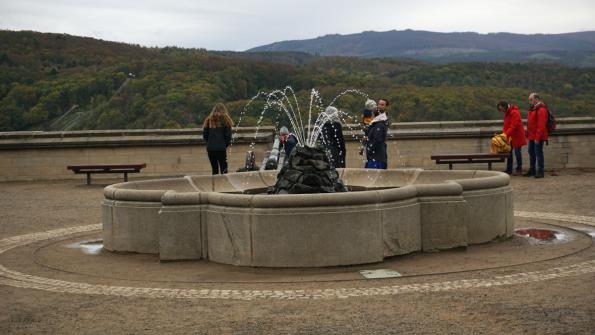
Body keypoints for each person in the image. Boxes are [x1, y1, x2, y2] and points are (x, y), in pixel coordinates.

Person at [497, 101, 527, 175]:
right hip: (510, 135)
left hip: (517, 135)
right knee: (509, 152)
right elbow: (506, 126)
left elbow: (514, 126)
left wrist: (505, 134)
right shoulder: (507, 113)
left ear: (505, 107)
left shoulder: (514, 112)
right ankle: (509, 169)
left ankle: (519, 169)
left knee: (517, 152)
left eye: (502, 109)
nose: (502, 111)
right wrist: (504, 134)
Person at [203, 103, 233, 175]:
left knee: (214, 169)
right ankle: (224, 185)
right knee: (224, 169)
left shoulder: (208, 120)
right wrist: (224, 145)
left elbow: (205, 135)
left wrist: (210, 143)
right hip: (221, 148)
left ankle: (215, 185)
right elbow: (228, 136)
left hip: (210, 149)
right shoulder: (225, 120)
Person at [525, 93, 549, 178]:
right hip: (532, 135)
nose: (530, 101)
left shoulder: (541, 109)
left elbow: (541, 125)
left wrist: (537, 138)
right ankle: (532, 170)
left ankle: (540, 171)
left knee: (538, 153)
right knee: (531, 152)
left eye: (531, 100)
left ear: (536, 99)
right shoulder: (533, 108)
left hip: (537, 136)